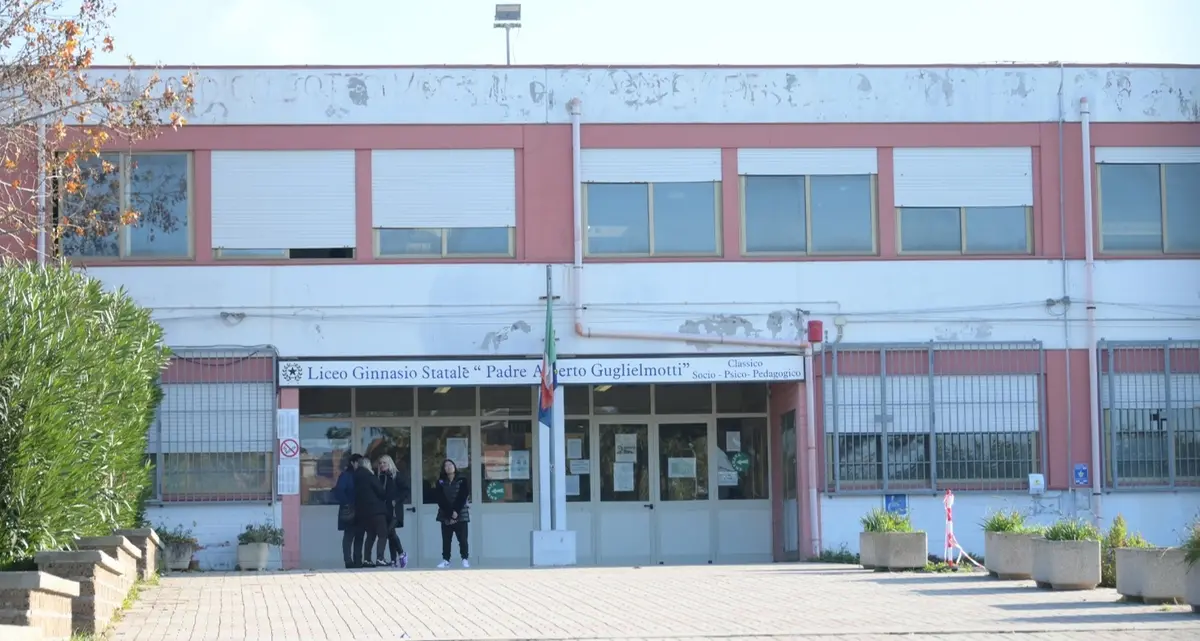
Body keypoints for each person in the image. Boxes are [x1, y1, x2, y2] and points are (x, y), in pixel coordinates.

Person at [352, 457, 390, 567]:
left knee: (370, 535)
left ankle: (367, 559)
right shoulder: (370, 476)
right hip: (376, 510)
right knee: (382, 534)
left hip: (363, 512)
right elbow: (381, 492)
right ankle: (380, 558)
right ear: (367, 465)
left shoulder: (356, 477)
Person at [434, 458, 470, 568]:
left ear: (454, 467)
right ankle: (446, 560)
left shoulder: (462, 480)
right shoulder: (440, 482)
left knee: (462, 539)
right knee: (446, 539)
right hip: (445, 515)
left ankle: (465, 559)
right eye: (446, 466)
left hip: (461, 514)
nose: (449, 467)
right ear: (443, 469)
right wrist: (450, 513)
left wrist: (456, 512)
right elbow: (440, 499)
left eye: (451, 465)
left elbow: (463, 496)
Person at [376, 455, 408, 568]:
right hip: (385, 510)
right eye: (380, 463)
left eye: (384, 463)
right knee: (391, 533)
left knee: (390, 531)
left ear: (389, 463)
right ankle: (394, 559)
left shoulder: (396, 476)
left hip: (395, 510)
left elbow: (406, 490)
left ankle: (401, 553)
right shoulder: (380, 477)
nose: (382, 465)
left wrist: (397, 500)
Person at [332, 453, 364, 569]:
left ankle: (358, 560)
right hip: (349, 509)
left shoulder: (362, 475)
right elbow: (339, 491)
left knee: (359, 535)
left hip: (361, 509)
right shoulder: (346, 475)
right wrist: (347, 503)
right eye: (358, 463)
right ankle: (348, 561)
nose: (360, 465)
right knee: (349, 535)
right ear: (352, 463)